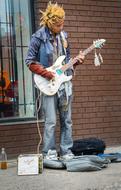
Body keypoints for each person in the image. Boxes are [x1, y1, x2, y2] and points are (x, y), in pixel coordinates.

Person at [25, 2, 85, 161]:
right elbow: (29, 61)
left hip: (64, 85)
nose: (61, 26)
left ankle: (66, 152)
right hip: (49, 85)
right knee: (51, 121)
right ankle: (49, 153)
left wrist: (77, 61)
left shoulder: (64, 36)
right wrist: (46, 73)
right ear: (50, 23)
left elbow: (67, 61)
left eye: (62, 23)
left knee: (67, 120)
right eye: (59, 24)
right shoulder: (38, 37)